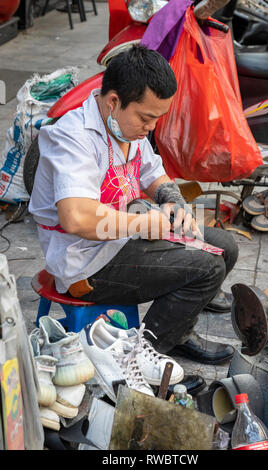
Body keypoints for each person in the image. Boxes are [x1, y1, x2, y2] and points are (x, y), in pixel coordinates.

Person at [29, 45, 238, 366]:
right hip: (84, 262)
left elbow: (153, 172)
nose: (151, 127)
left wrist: (175, 203)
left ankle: (178, 326)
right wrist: (143, 224)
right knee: (207, 269)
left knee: (225, 246)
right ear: (114, 101)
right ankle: (141, 359)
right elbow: (75, 217)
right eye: (146, 118)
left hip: (121, 238)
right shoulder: (73, 138)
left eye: (157, 119)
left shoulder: (126, 124)